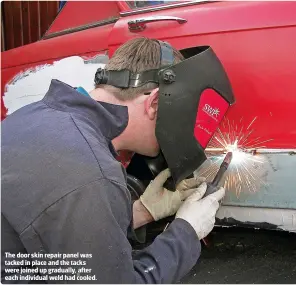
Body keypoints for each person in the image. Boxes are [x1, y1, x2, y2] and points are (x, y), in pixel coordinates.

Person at [1, 38, 226, 284]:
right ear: (155, 103)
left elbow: (55, 231)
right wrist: (187, 231)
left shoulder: (32, 117)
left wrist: (140, 212)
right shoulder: (89, 172)